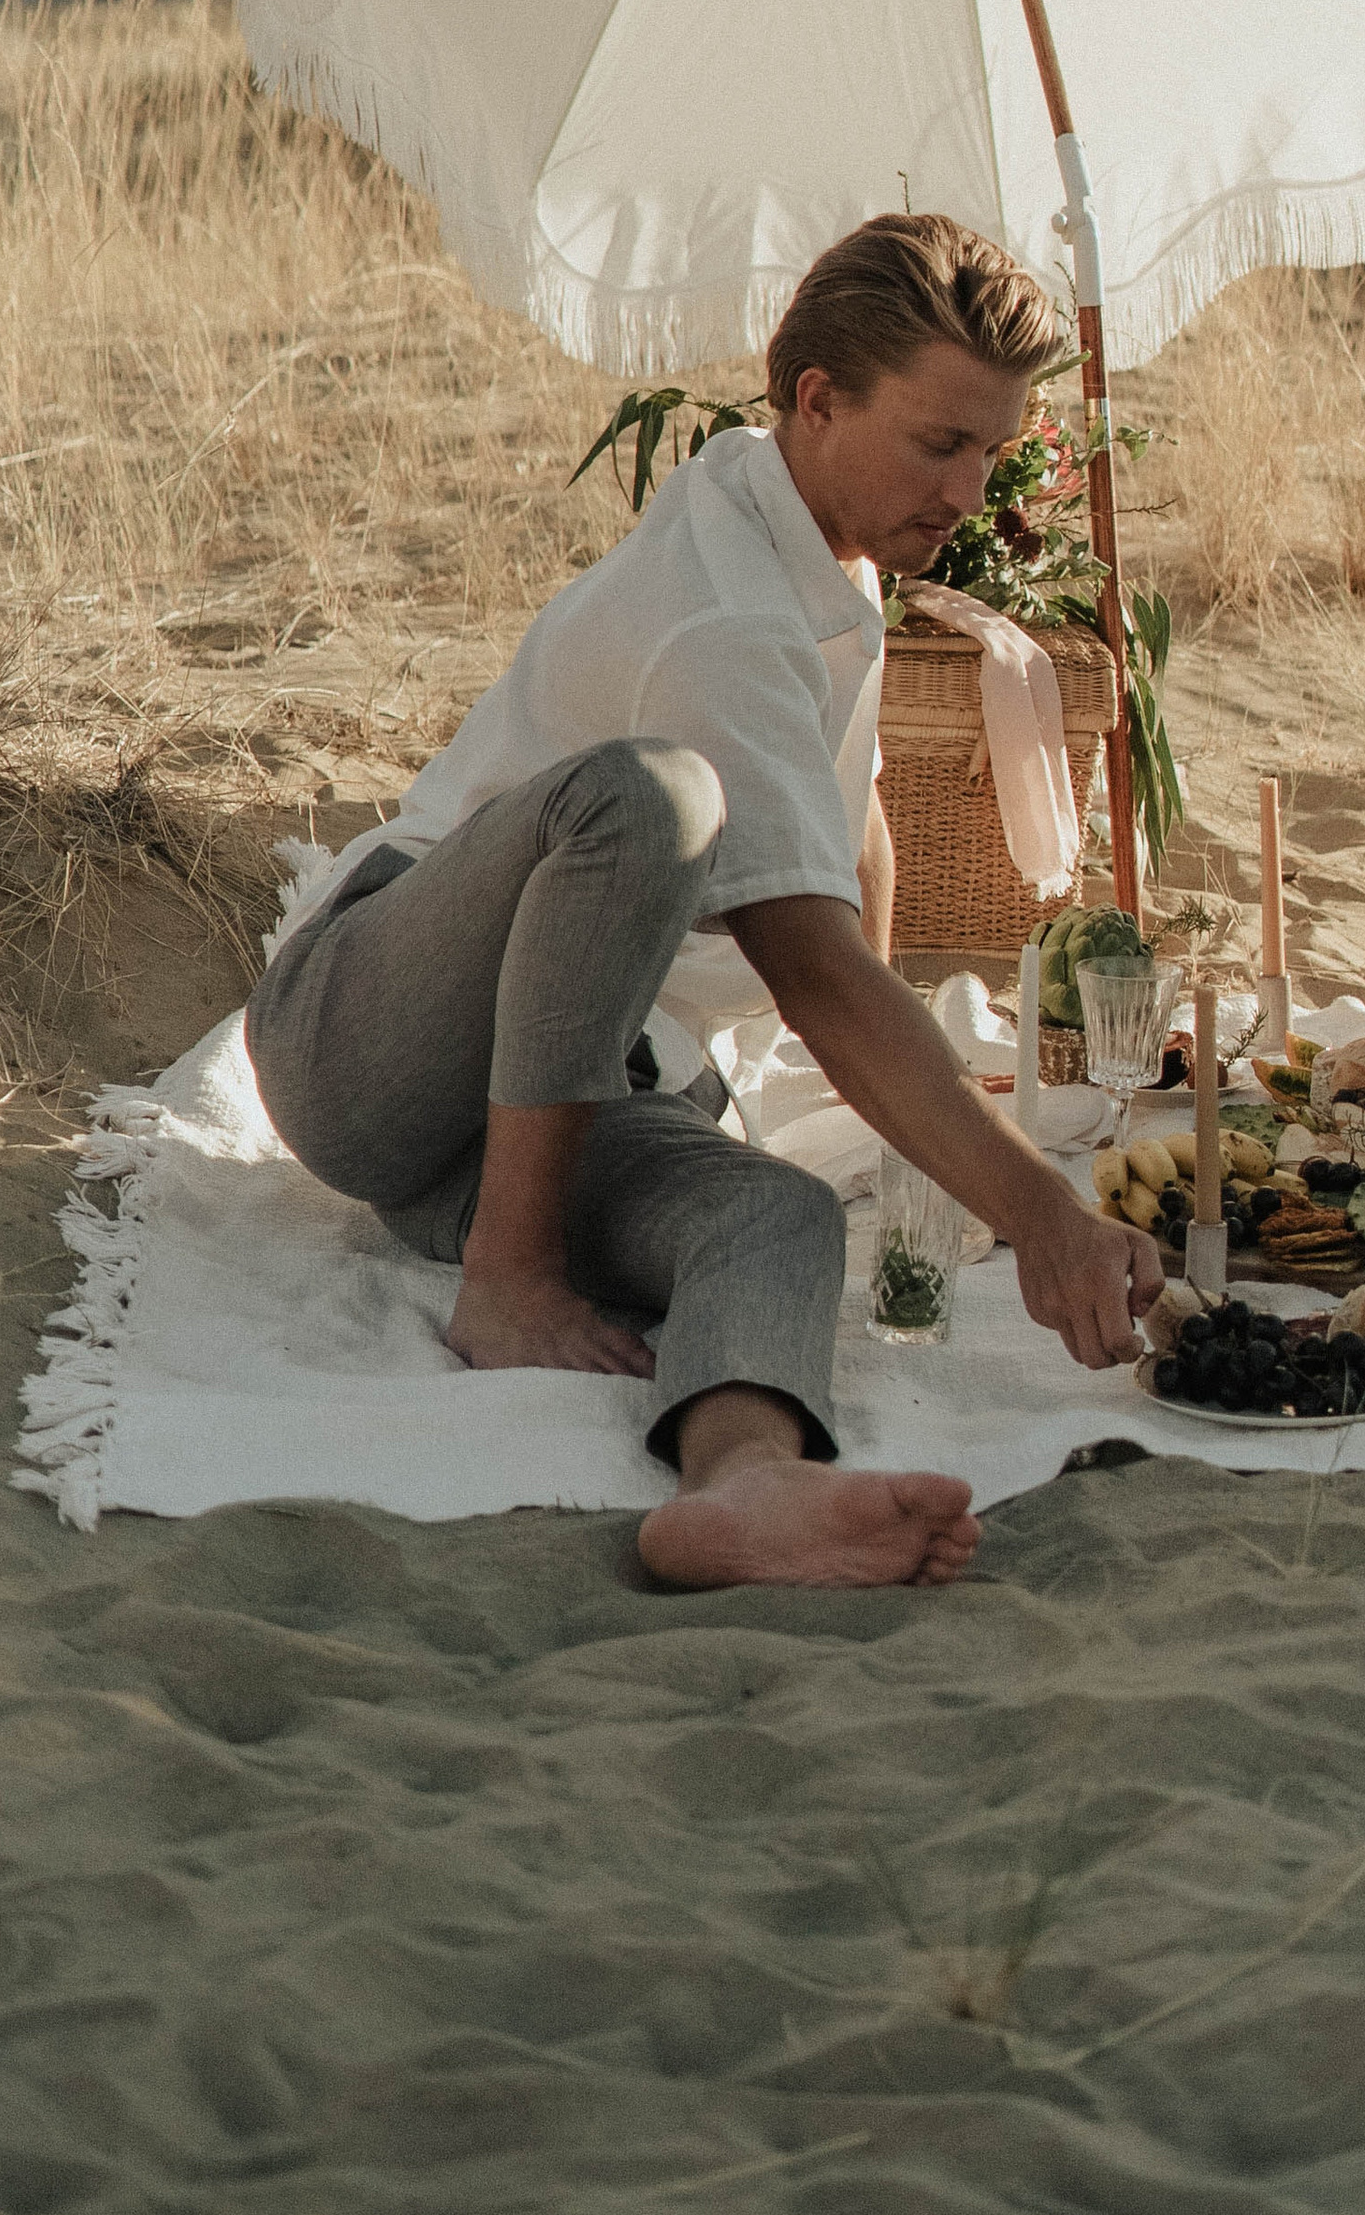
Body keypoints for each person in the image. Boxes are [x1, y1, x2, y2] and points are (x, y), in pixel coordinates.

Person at [246, 213, 1161, 1593]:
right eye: (939, 443)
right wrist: (1041, 1213)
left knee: (778, 1219)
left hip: (551, 1094)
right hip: (366, 1037)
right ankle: (508, 1273)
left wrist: (899, 1100)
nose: (971, 490)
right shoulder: (725, 611)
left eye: (991, 449)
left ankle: (741, 1483)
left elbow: (850, 844)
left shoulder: (807, 531)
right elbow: (810, 966)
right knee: (652, 797)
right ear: (817, 398)